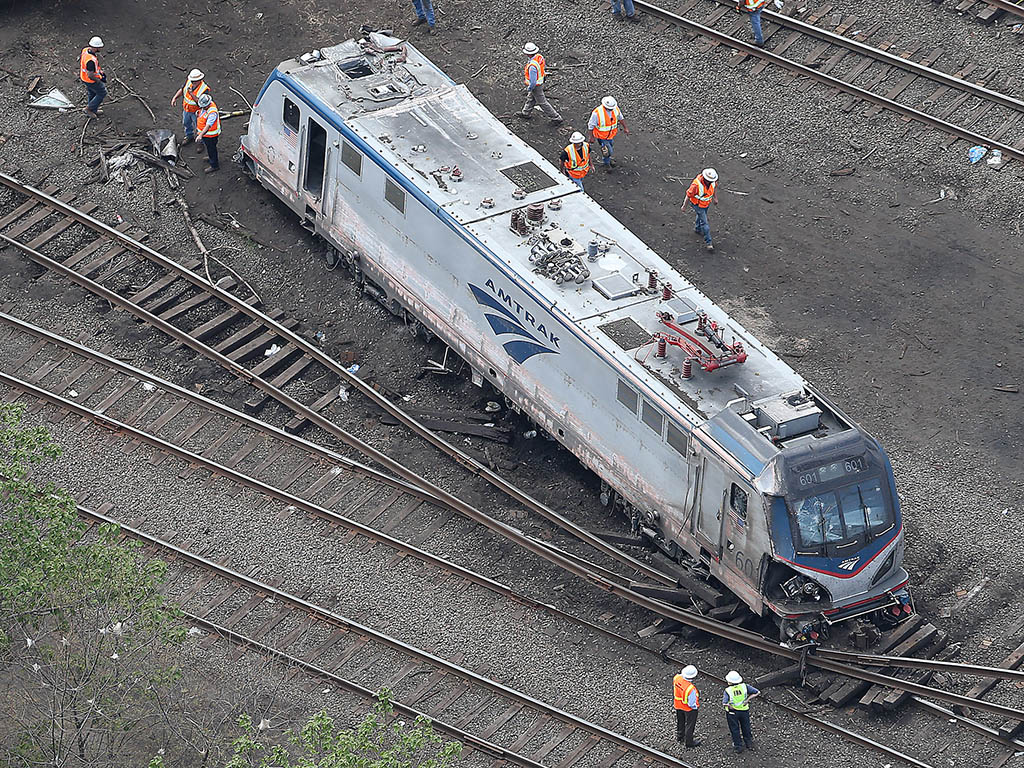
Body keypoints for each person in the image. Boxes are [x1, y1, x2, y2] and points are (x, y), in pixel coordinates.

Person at [517, 43, 562, 124]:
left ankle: (556, 117)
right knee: (531, 98)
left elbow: (533, 81)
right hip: (541, 81)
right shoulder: (539, 57)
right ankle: (526, 112)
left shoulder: (532, 67)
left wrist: (530, 88)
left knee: (542, 102)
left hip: (536, 86)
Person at [723, 670, 760, 754]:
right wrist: (747, 700)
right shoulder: (744, 686)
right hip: (744, 711)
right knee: (746, 727)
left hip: (732, 713)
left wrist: (730, 706)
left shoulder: (728, 690)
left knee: (734, 729)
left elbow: (725, 703)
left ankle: (738, 746)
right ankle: (749, 743)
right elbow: (757, 692)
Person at [170, 69, 209, 146]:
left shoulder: (204, 89)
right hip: (187, 110)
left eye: (195, 81)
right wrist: (175, 97)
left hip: (197, 112)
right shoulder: (188, 82)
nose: (192, 82)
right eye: (192, 81)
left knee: (199, 127)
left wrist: (191, 94)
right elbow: (182, 90)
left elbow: (200, 103)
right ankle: (189, 136)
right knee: (186, 123)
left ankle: (200, 142)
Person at [683, 167, 718, 252]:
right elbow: (688, 195)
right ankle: (709, 242)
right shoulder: (696, 185)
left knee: (701, 216)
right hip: (698, 205)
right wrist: (684, 206)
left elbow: (714, 188)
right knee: (705, 223)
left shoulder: (713, 182)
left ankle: (697, 229)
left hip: (706, 204)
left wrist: (715, 198)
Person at [588, 96, 628, 170]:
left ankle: (608, 159)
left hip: (611, 135)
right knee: (608, 151)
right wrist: (591, 137)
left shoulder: (615, 109)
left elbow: (620, 118)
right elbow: (591, 126)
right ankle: (607, 163)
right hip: (602, 136)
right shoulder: (597, 113)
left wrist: (625, 128)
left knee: (610, 147)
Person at [673, 665, 701, 749]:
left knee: (680, 721)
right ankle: (689, 742)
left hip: (678, 705)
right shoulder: (690, 689)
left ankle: (680, 736)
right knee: (690, 725)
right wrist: (695, 707)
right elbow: (691, 703)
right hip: (689, 709)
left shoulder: (676, 678)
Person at [79, 36, 107, 117]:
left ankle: (93, 109)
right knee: (102, 93)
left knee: (92, 93)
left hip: (84, 77)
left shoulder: (85, 50)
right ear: (95, 48)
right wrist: (98, 80)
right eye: (99, 47)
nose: (100, 48)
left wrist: (99, 72)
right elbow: (90, 75)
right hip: (90, 80)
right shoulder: (90, 60)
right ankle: (88, 109)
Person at [196, 93, 221, 173]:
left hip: (211, 135)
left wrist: (200, 135)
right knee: (210, 148)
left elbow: (208, 125)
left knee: (211, 149)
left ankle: (214, 165)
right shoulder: (206, 107)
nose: (202, 108)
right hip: (207, 135)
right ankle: (211, 158)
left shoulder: (212, 113)